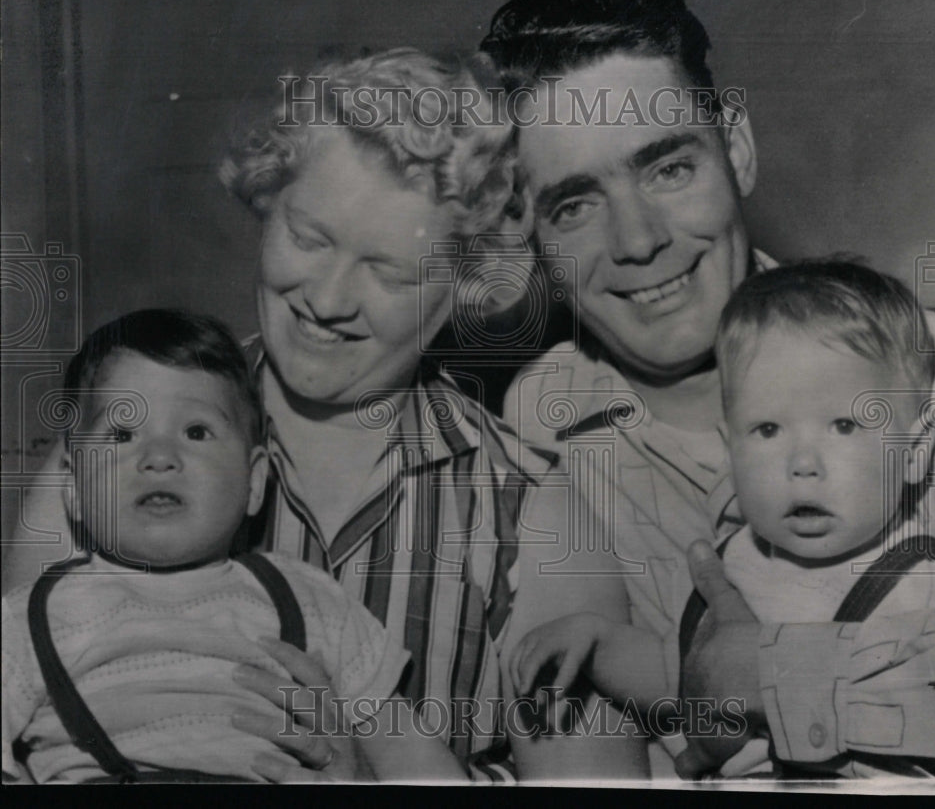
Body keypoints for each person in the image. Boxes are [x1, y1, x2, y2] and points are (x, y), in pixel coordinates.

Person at [2, 49, 646, 782]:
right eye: (309, 239)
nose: (329, 300)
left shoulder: (535, 515)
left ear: (467, 283)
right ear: (266, 202)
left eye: (387, 271)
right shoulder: (117, 450)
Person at [481, 0, 935, 777]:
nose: (638, 239)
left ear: (736, 150)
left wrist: (765, 675)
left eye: (668, 168)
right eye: (574, 206)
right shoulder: (541, 429)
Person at [507, 261, 935, 779]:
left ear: (914, 450)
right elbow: (683, 680)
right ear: (729, 448)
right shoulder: (739, 557)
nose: (802, 464)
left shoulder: (925, 584)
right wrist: (600, 643)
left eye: (844, 425)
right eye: (768, 429)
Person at [2, 308, 469, 784]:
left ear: (255, 482)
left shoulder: (309, 601)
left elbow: (413, 757)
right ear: (75, 489)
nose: (160, 458)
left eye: (196, 432)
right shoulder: (27, 620)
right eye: (122, 434)